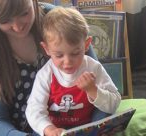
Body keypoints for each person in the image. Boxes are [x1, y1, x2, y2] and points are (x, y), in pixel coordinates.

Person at [0, 0, 99, 135]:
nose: (17, 27)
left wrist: (96, 128)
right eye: (5, 21)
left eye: (24, 13)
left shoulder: (59, 20)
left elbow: (99, 85)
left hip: (66, 126)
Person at [25, 7, 121, 136]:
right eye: (59, 55)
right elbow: (34, 110)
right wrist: (49, 129)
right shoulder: (46, 74)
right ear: (46, 49)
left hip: (87, 128)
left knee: (105, 114)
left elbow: (114, 103)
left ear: (86, 45)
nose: (68, 62)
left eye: (75, 53)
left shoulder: (93, 67)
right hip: (56, 130)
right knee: (38, 129)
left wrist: (92, 90)